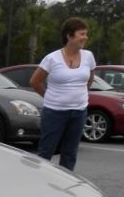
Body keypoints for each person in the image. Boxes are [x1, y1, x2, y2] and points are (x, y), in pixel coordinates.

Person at [30, 18, 96, 171]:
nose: (85, 37)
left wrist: (80, 94)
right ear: (69, 36)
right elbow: (35, 81)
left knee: (70, 153)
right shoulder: (52, 58)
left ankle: (66, 187)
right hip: (54, 112)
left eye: (86, 34)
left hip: (79, 111)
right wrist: (50, 97)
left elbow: (90, 78)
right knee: (46, 152)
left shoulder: (88, 56)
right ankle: (39, 183)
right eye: (82, 34)